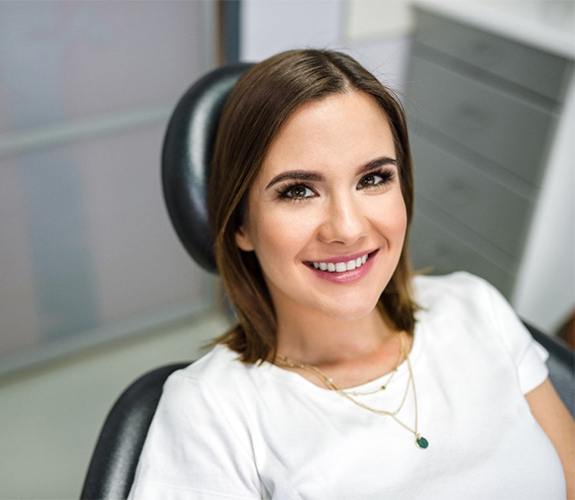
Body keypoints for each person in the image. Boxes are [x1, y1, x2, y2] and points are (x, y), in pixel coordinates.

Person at [127, 49, 573, 499]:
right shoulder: (209, 411)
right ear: (241, 223)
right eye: (299, 190)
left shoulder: (476, 308)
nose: (348, 228)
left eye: (373, 179)